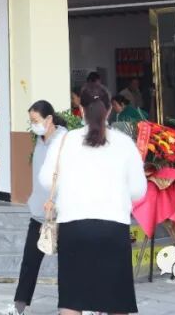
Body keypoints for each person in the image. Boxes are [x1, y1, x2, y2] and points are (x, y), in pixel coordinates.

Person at [38, 83, 145, 315]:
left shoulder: (65, 140)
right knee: (117, 302)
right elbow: (138, 190)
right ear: (109, 110)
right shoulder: (125, 143)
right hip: (114, 227)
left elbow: (47, 180)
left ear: (81, 109)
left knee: (72, 300)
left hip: (73, 227)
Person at [0, 101, 68, 315]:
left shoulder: (64, 141)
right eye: (31, 121)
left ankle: (71, 308)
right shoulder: (40, 141)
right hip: (38, 213)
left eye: (35, 121)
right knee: (29, 262)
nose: (33, 125)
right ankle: (18, 307)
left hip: (62, 214)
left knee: (68, 266)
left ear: (49, 119)